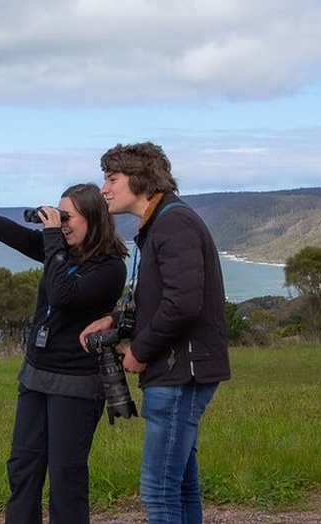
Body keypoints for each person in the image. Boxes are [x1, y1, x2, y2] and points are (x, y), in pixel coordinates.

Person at [0, 183, 128, 524]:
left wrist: (51, 240)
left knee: (66, 478)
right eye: (58, 216)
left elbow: (63, 295)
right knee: (23, 468)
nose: (61, 224)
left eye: (68, 218)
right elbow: (9, 232)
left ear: (93, 219)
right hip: (36, 375)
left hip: (75, 382)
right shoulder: (59, 251)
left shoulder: (110, 268)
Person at [79, 142, 231, 524]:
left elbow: (183, 303)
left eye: (112, 178)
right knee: (180, 484)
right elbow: (161, 296)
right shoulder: (160, 221)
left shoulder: (172, 222)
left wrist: (140, 351)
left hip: (180, 373)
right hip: (180, 370)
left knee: (159, 489)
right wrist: (116, 320)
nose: (104, 189)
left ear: (141, 179)